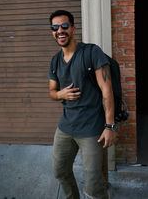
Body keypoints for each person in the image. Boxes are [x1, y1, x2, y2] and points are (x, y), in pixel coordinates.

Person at [48, 10, 118, 199]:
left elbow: (107, 90)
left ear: (73, 28)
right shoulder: (55, 61)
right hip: (66, 127)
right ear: (52, 31)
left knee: (94, 186)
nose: (60, 30)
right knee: (60, 171)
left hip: (92, 129)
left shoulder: (91, 52)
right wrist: (60, 94)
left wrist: (110, 126)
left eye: (64, 26)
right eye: (55, 27)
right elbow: (52, 92)